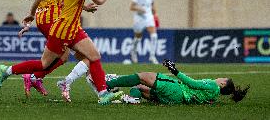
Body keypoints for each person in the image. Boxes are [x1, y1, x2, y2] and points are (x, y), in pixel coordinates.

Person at [0, 0, 122, 105]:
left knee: (94, 56)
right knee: (44, 63)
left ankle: (102, 94)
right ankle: (7, 71)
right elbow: (100, 0)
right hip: (61, 30)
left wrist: (31, 14)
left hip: (73, 29)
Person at [18, 0, 98, 97]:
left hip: (41, 19)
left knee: (71, 55)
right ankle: (34, 77)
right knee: (72, 55)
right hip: (55, 19)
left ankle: (37, 77)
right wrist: (85, 7)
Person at [105, 59, 250, 105]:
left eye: (223, 78)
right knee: (139, 87)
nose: (220, 77)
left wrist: (174, 70)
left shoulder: (213, 86)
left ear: (223, 84)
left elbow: (194, 84)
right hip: (176, 99)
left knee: (142, 76)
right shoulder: (214, 97)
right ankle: (135, 98)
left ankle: (107, 84)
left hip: (176, 90)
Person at [130, 0, 159, 64]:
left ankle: (152, 56)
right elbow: (131, 7)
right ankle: (133, 52)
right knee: (138, 38)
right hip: (139, 18)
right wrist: (139, 8)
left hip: (149, 17)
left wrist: (155, 14)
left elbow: (152, 6)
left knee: (154, 36)